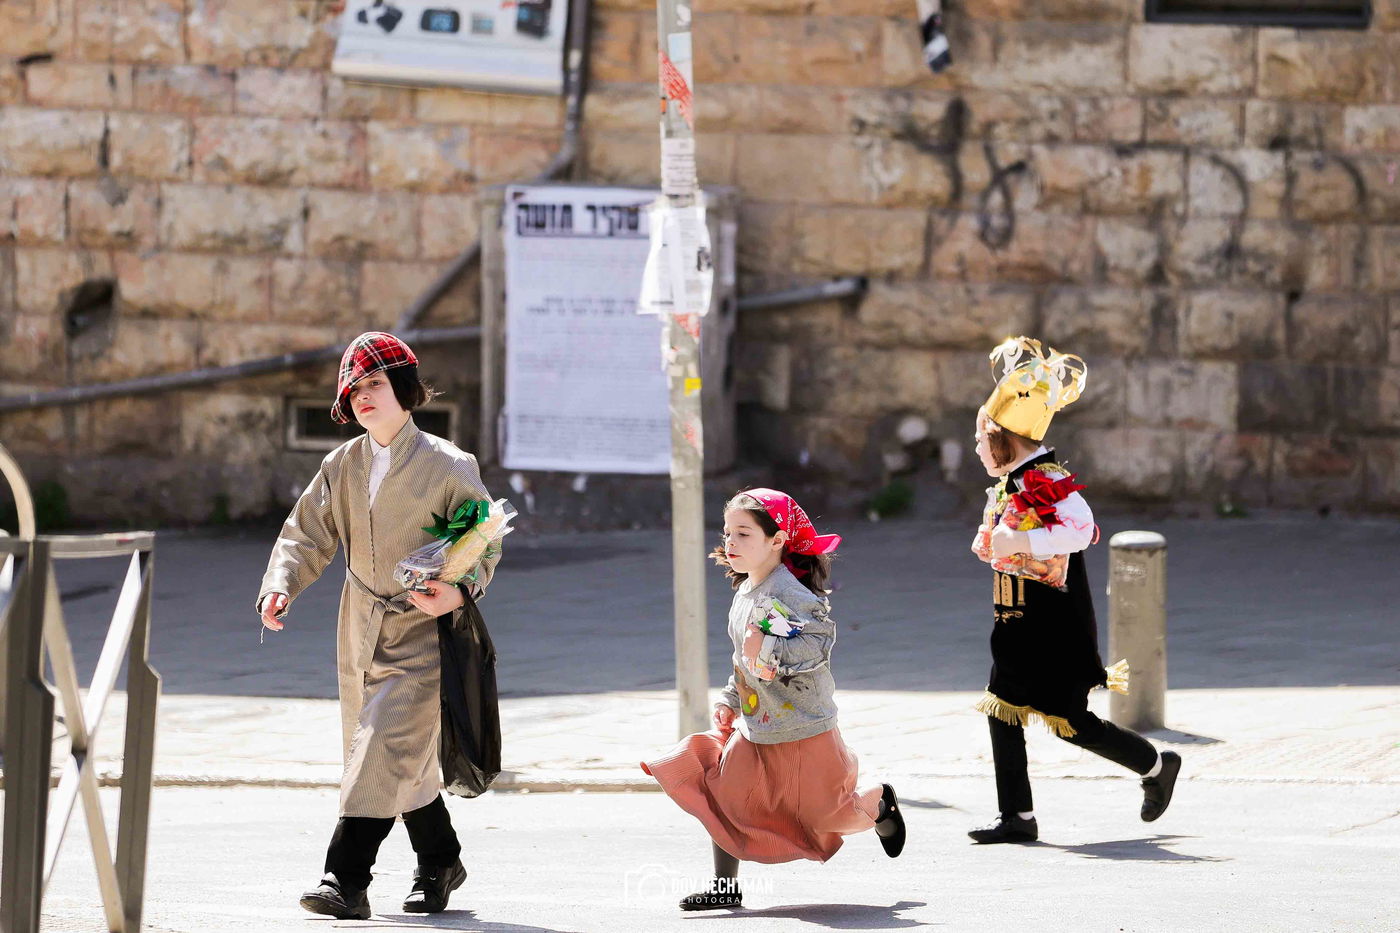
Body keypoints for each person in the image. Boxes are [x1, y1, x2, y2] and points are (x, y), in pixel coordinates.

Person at [257, 332, 501, 918]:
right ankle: (440, 860)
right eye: (355, 388)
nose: (364, 397)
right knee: (395, 753)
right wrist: (280, 583)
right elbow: (307, 532)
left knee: (382, 745)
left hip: (420, 625)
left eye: (375, 384)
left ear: (403, 390)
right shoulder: (341, 464)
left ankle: (346, 879)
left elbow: (484, 539)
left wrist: (459, 589)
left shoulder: (450, 465)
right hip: (358, 622)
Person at [641, 488, 906, 911]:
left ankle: (879, 804)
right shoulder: (745, 592)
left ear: (777, 540)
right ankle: (724, 888)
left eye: (743, 534)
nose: (730, 543)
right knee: (724, 798)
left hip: (804, 726)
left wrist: (766, 651)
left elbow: (816, 649)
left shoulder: (792, 594)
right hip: (754, 724)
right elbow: (741, 660)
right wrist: (731, 696)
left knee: (826, 817)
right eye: (727, 533)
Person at [967, 336, 1181, 845]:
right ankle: (1016, 816)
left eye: (981, 438)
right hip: (1015, 620)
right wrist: (994, 542)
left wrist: (1017, 537)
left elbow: (1081, 530)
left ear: (1004, 439)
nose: (976, 447)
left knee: (1071, 720)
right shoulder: (1012, 482)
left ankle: (1156, 765)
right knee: (1002, 708)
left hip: (1053, 627)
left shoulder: (1046, 479)